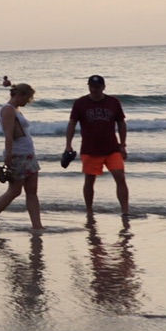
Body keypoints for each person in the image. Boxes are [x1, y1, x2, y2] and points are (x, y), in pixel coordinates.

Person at [65, 74, 129, 224]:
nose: (94, 90)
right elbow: (72, 124)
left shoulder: (113, 102)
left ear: (103, 87)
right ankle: (89, 210)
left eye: (97, 87)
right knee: (89, 180)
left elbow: (121, 123)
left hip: (112, 148)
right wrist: (68, 144)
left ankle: (125, 211)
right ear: (88, 86)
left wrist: (123, 144)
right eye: (92, 86)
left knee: (120, 177)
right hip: (90, 149)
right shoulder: (80, 103)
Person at [0, 83, 42, 232]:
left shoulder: (16, 110)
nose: (28, 102)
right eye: (27, 98)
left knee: (32, 191)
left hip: (28, 154)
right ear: (20, 95)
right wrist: (8, 156)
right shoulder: (7, 110)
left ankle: (37, 225)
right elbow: (8, 135)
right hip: (18, 154)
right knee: (14, 190)